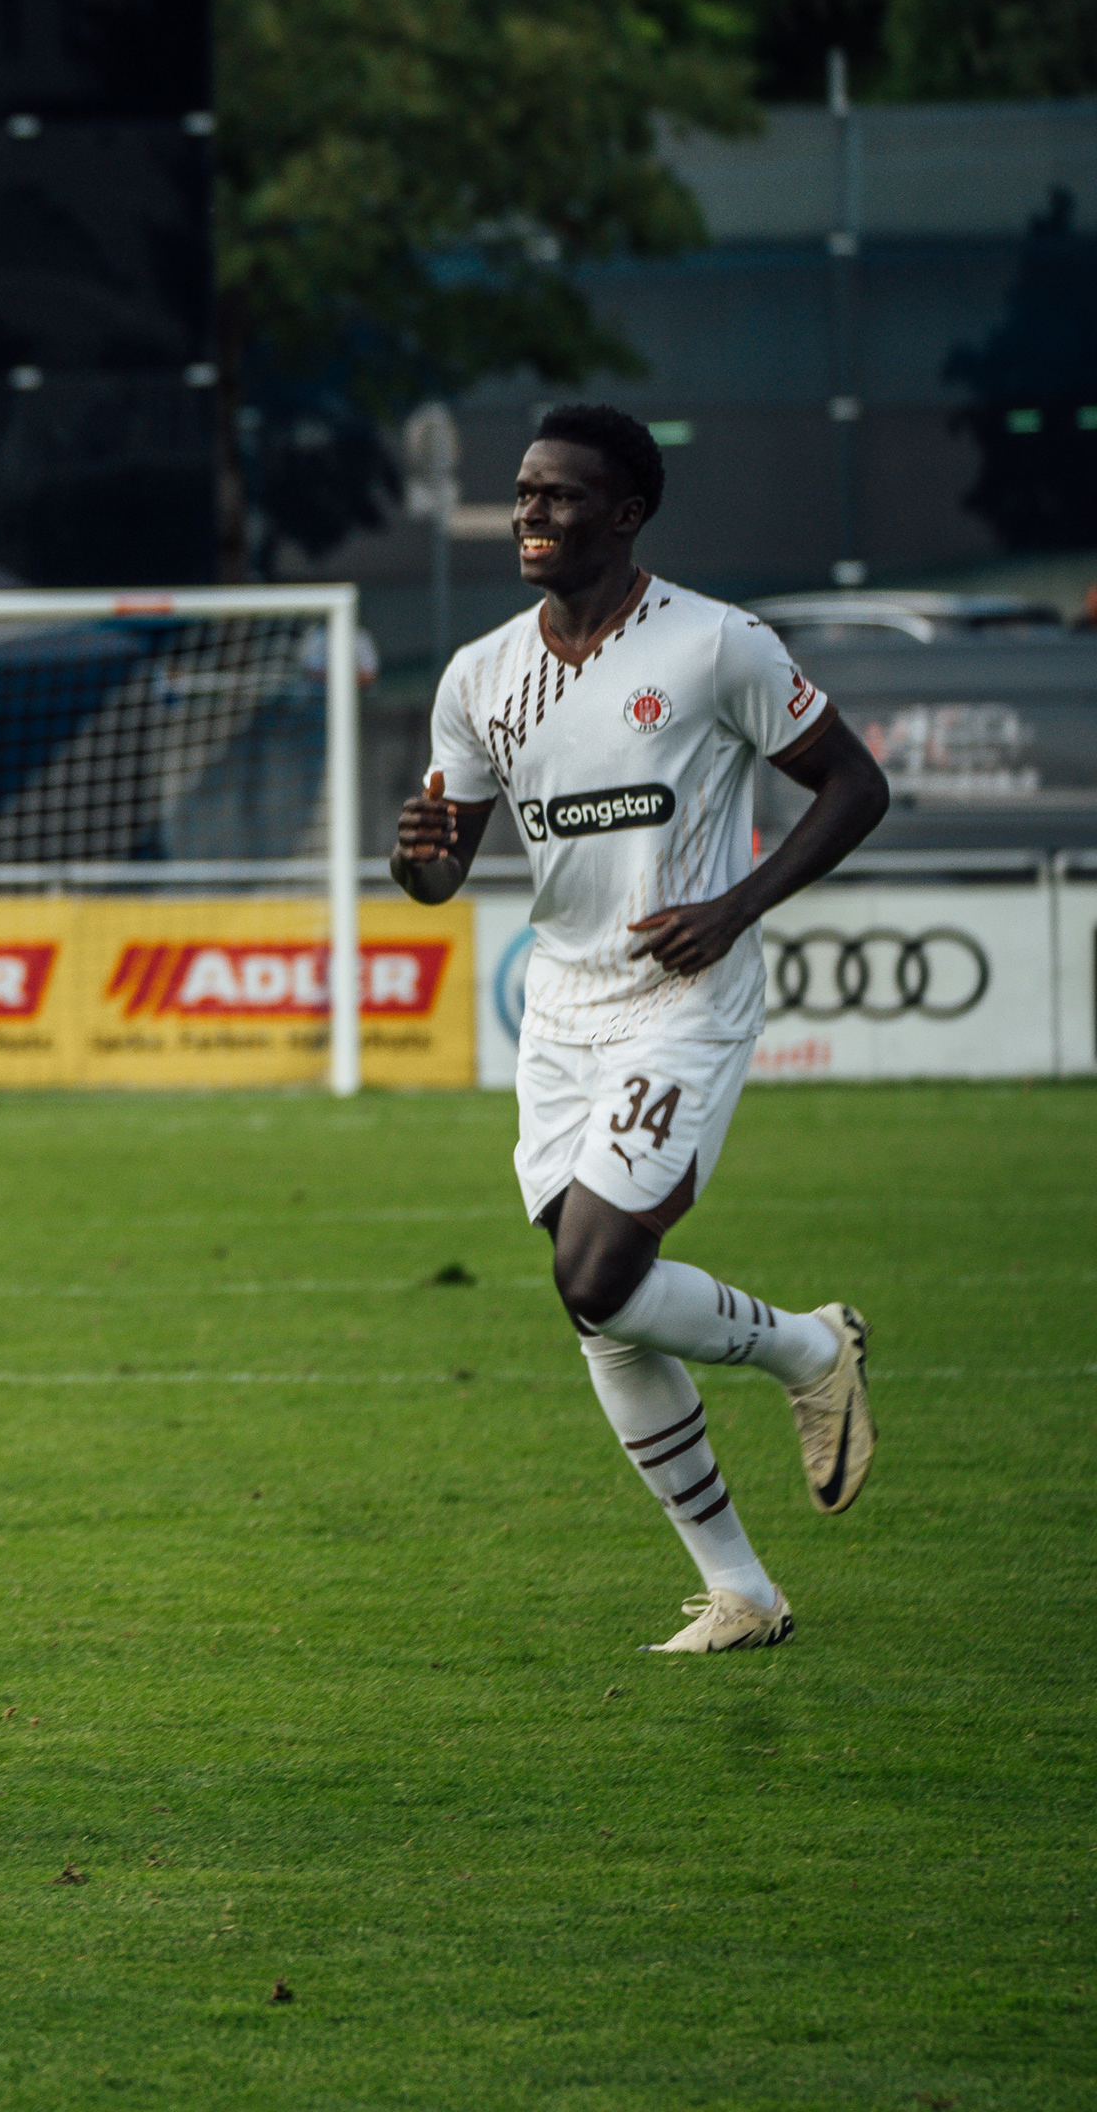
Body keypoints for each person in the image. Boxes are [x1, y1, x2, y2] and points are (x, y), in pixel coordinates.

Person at [391, 403, 892, 1655]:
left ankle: (804, 1351)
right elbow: (441, 868)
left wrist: (739, 904)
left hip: (684, 998)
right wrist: (420, 862)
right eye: (521, 494)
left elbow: (856, 782)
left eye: (557, 497)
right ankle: (745, 1594)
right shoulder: (479, 676)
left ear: (625, 515)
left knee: (598, 1274)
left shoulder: (721, 644)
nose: (529, 514)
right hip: (559, 1014)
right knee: (597, 1308)